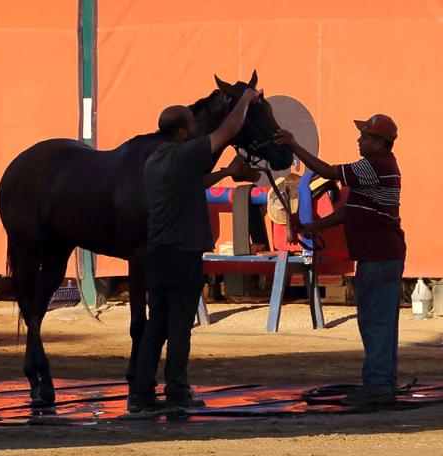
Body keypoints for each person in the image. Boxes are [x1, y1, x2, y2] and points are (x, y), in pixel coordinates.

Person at [129, 87, 260, 413]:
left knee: (156, 325)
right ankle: (177, 392)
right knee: (179, 327)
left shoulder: (154, 161)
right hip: (182, 254)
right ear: (184, 132)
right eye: (192, 124)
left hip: (158, 254)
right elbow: (228, 130)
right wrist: (246, 99)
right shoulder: (184, 154)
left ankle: (142, 395)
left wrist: (226, 173)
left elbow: (191, 183)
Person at [275, 114, 406, 406]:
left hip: (378, 255)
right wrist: (310, 227)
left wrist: (294, 145)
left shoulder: (373, 166)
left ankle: (378, 388)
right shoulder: (377, 168)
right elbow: (348, 211)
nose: (359, 140)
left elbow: (325, 170)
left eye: (365, 137)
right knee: (377, 322)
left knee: (375, 323)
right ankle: (382, 384)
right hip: (380, 255)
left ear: (380, 143)